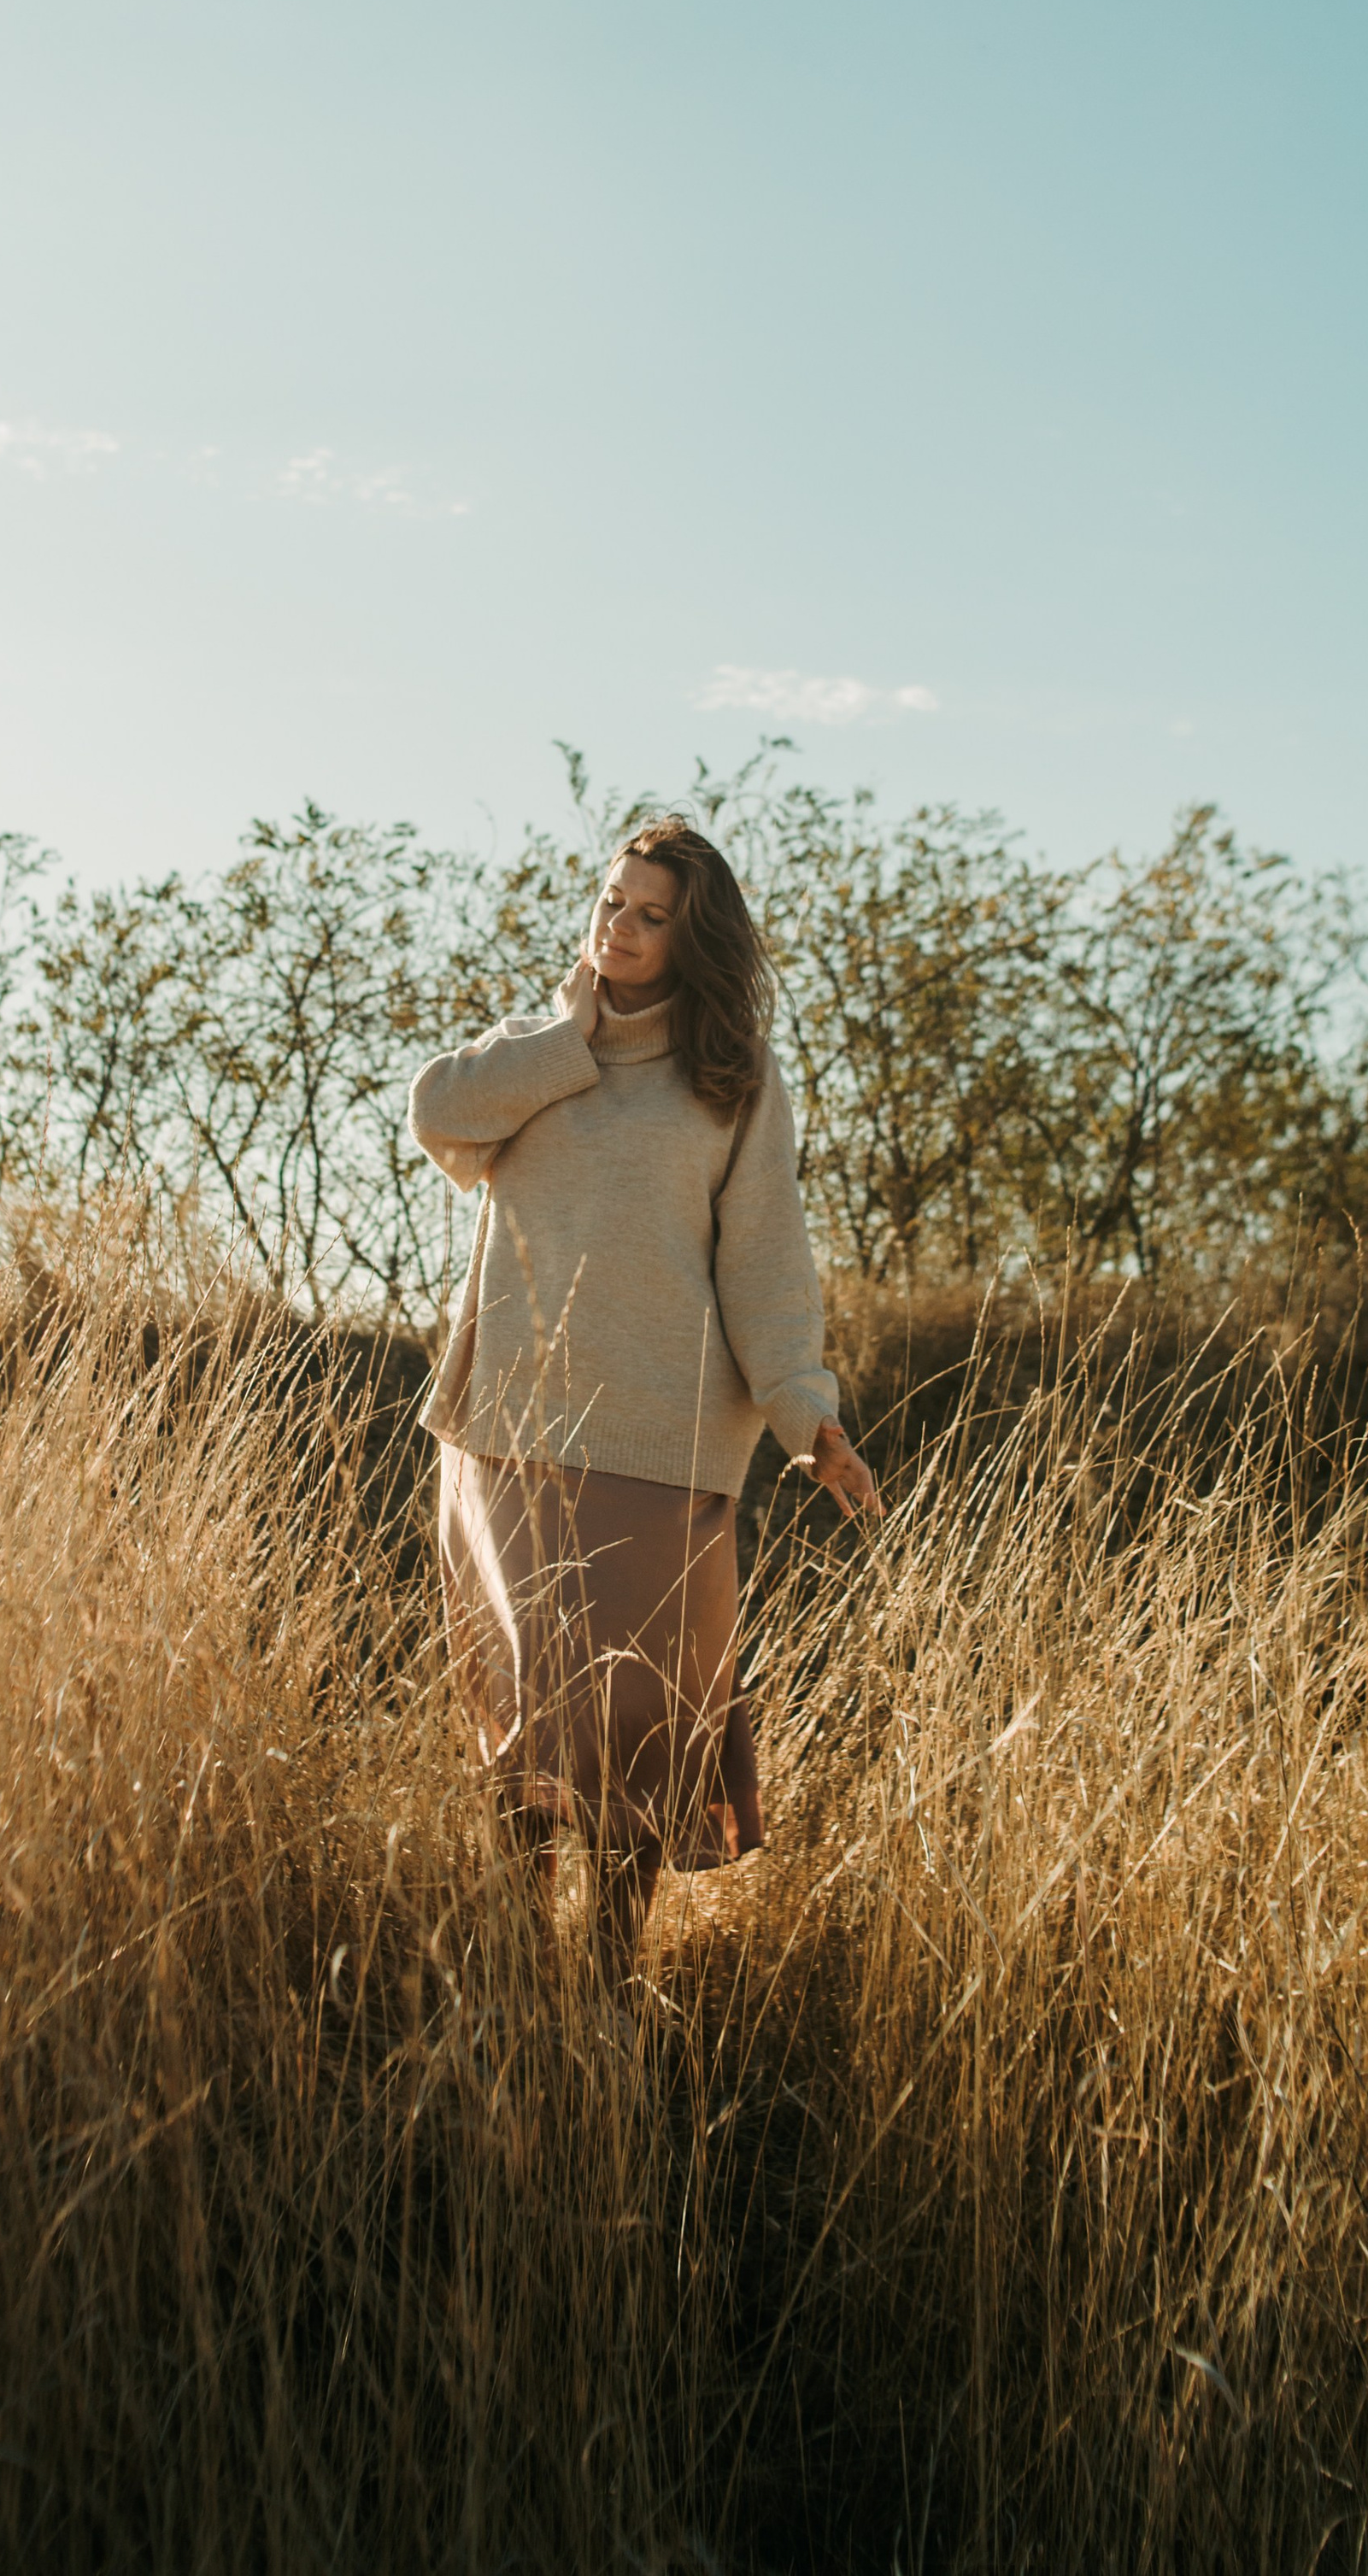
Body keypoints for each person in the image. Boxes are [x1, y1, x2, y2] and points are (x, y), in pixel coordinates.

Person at [407, 813, 878, 1971]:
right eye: (611, 903)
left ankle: (608, 1977)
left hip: (662, 1442)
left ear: (691, 936)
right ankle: (523, 1972)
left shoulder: (729, 1076)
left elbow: (766, 1262)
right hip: (506, 1435)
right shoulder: (533, 1058)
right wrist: (571, 1026)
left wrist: (806, 1417)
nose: (620, 927)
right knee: (517, 1715)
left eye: (650, 915)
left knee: (639, 1725)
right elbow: (437, 1113)